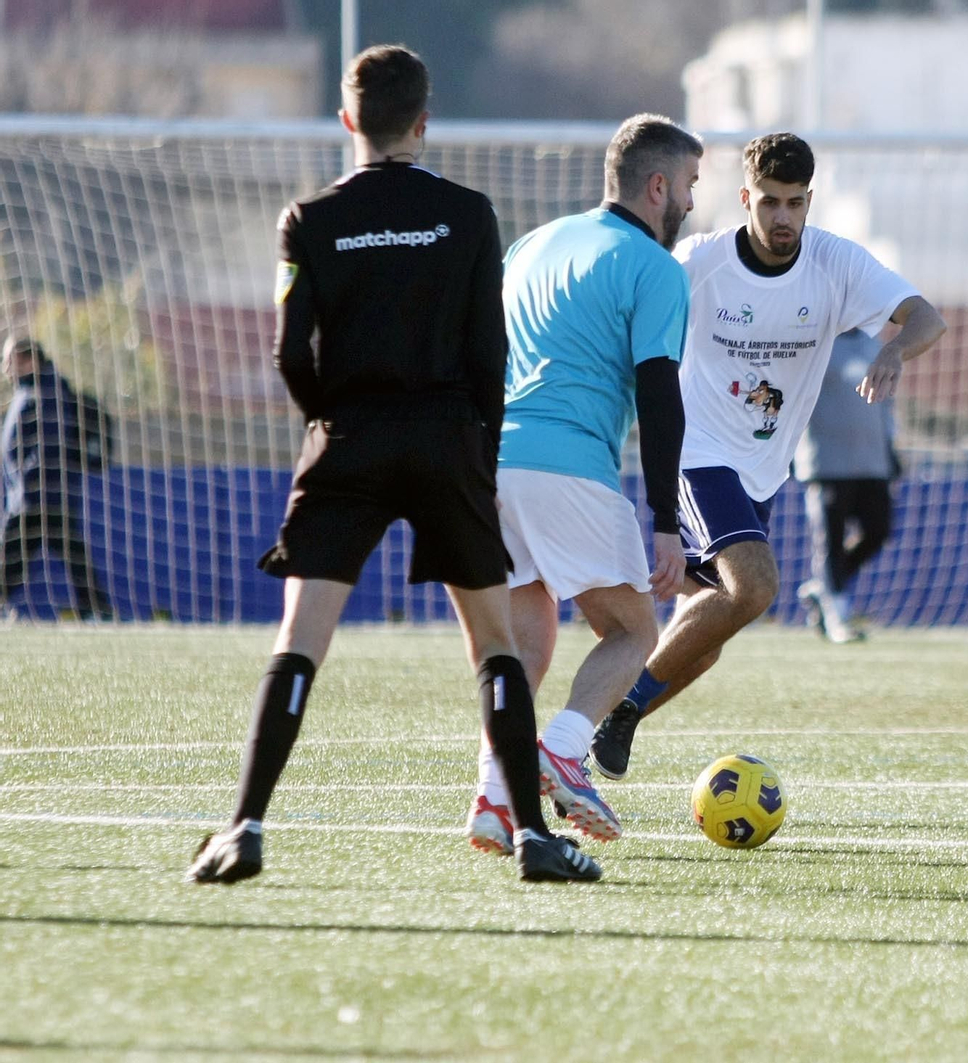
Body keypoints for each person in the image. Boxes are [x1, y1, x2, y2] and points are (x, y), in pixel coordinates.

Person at [186, 44, 598, 885]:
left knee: (300, 641)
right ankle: (530, 838)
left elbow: (287, 350)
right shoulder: (472, 214)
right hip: (450, 438)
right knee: (495, 649)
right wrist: (478, 446)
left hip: (351, 439)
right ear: (424, 121)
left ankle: (246, 827)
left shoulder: (309, 218)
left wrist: (328, 419)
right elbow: (492, 354)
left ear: (348, 122)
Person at [588, 132, 947, 780]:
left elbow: (926, 317)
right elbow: (628, 303)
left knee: (703, 647)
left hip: (763, 469)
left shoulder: (836, 262)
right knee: (756, 587)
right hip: (696, 454)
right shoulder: (699, 260)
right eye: (770, 203)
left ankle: (592, 724)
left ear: (809, 201)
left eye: (796, 203)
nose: (783, 218)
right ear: (746, 198)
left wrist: (894, 348)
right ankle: (619, 714)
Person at [465, 113, 699, 855]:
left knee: (521, 648)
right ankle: (564, 749)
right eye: (690, 184)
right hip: (567, 466)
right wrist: (666, 516)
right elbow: (660, 393)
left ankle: (494, 800)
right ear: (657, 184)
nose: (692, 200)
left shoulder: (532, 245)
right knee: (633, 630)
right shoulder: (655, 267)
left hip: (489, 462)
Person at [794, 327, 897, 644]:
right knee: (831, 540)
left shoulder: (874, 344)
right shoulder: (815, 342)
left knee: (878, 531)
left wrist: (890, 447)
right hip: (826, 461)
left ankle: (821, 589)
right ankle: (837, 616)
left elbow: (885, 403)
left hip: (871, 460)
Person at [1, 336, 115, 621]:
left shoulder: (47, 393)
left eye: (9, 360)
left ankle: (97, 611)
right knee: (66, 553)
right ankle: (97, 611)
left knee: (13, 556)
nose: (5, 368)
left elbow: (48, 447)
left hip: (38, 496)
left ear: (30, 360)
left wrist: (29, 488)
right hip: (35, 496)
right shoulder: (29, 392)